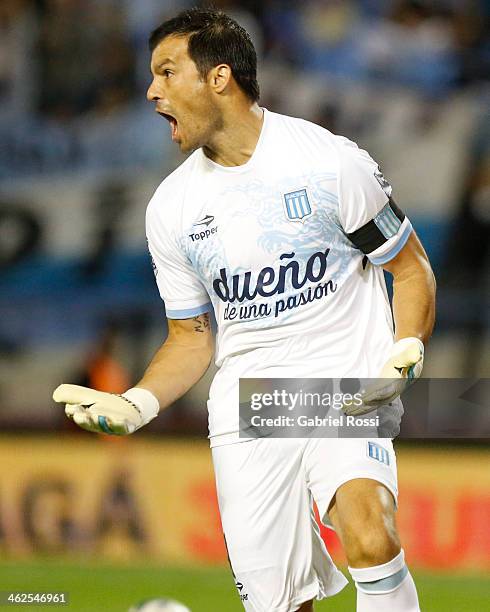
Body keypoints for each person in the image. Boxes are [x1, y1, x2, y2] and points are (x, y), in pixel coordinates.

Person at [53, 8, 436, 612]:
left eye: (166, 72)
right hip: (247, 404)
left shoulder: (330, 162)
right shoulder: (172, 209)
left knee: (370, 536)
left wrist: (407, 344)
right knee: (279, 604)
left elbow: (409, 268)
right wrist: (136, 403)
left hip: (343, 386)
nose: (151, 90)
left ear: (218, 78)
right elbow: (190, 338)